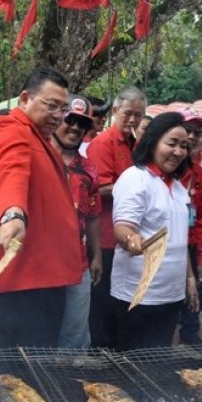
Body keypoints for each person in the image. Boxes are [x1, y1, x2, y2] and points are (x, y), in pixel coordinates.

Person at [0, 68, 82, 349]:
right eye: (51, 105)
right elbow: (12, 171)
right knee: (5, 371)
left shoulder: (41, 140)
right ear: (24, 99)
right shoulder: (10, 128)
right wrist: (14, 213)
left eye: (63, 108)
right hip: (18, 280)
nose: (58, 115)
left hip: (43, 277)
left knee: (36, 371)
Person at [110, 112, 198, 350]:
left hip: (171, 295)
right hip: (138, 296)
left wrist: (189, 279)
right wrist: (131, 239)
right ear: (153, 142)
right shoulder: (135, 178)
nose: (178, 152)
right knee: (133, 367)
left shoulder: (178, 187)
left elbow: (180, 239)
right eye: (171, 144)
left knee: (158, 364)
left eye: (183, 146)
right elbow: (122, 226)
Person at [86, 85, 147, 348]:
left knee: (124, 298)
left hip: (131, 236)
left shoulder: (140, 145)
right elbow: (98, 189)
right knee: (102, 299)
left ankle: (118, 348)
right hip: (107, 237)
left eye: (138, 115)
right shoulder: (103, 143)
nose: (133, 120)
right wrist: (134, 185)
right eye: (128, 113)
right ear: (115, 111)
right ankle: (100, 349)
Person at [50, 94, 102, 348]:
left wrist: (97, 256)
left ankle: (67, 384)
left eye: (81, 123)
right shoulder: (39, 158)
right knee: (42, 331)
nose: (74, 127)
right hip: (42, 265)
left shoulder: (90, 170)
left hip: (78, 264)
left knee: (74, 333)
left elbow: (93, 216)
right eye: (69, 119)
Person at [177, 109, 202, 346]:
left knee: (196, 284)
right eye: (188, 130)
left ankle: (190, 332)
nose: (192, 136)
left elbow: (201, 218)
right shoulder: (165, 166)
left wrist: (201, 258)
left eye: (197, 132)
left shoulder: (199, 171)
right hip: (164, 242)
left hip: (189, 242)